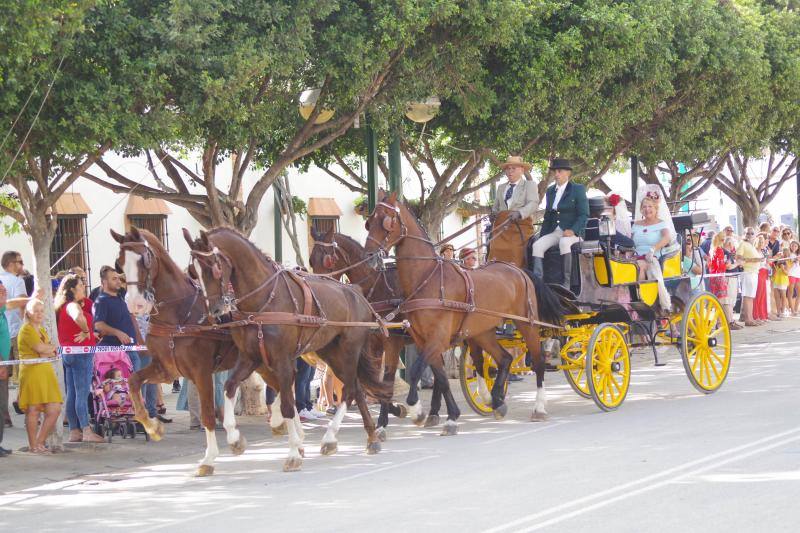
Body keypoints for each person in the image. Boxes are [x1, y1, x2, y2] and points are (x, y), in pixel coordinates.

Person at [54, 274, 104, 443]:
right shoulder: (72, 305)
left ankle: (75, 431)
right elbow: (79, 317)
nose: (84, 288)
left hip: (69, 354)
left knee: (72, 394)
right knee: (81, 393)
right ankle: (86, 429)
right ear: (73, 289)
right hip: (80, 354)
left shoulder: (62, 306)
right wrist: (86, 331)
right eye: (81, 286)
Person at [531, 158, 589, 289]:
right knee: (537, 245)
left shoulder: (578, 189)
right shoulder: (550, 191)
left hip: (574, 233)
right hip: (555, 231)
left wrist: (573, 230)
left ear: (568, 173)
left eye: (559, 171)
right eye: (555, 172)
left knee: (564, 242)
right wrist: (542, 235)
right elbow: (548, 216)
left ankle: (567, 283)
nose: (556, 174)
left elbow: (584, 214)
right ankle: (539, 284)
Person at [17, 299, 63, 454]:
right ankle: (33, 445)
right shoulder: (26, 329)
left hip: (46, 372)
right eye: (35, 311)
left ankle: (40, 441)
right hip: (32, 373)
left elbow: (48, 349)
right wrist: (50, 349)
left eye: (41, 311)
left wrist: (49, 349)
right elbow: (40, 348)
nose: (39, 314)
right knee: (33, 409)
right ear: (28, 313)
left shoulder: (41, 330)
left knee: (55, 408)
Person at [630, 185, 677, 312]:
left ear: (655, 208)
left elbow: (667, 238)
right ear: (641, 209)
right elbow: (630, 242)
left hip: (653, 256)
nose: (647, 209)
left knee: (640, 266)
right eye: (644, 207)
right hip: (636, 256)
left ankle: (642, 300)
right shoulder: (636, 225)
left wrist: (653, 249)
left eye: (650, 206)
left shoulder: (661, 223)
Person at [489, 155, 540, 268]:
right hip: (501, 228)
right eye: (508, 168)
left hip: (520, 227)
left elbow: (533, 203)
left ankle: (518, 277)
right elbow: (496, 207)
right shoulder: (501, 187)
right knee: (494, 249)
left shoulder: (529, 185)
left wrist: (520, 213)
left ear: (522, 170)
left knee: (514, 250)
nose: (510, 171)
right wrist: (493, 214)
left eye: (514, 168)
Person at [1, 251, 28, 423]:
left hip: (4, 331)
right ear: (11, 263)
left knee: (4, 375)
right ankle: (21, 402)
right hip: (17, 331)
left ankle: (5, 415)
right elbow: (23, 303)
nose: (22, 265)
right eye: (20, 262)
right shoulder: (18, 281)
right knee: (23, 370)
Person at [737, 229, 763, 326]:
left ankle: (750, 318)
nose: (749, 235)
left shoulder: (751, 245)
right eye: (747, 233)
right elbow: (738, 258)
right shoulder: (743, 244)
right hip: (748, 272)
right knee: (747, 296)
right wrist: (753, 259)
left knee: (751, 296)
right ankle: (748, 319)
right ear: (744, 234)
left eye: (752, 233)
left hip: (754, 273)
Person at [771, 248, 790, 318]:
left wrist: (782, 268)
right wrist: (774, 267)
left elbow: (787, 273)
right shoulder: (778, 261)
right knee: (776, 297)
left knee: (783, 296)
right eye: (782, 253)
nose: (783, 255)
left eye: (785, 253)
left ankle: (783, 311)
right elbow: (774, 271)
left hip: (783, 281)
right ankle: (778, 311)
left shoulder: (787, 262)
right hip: (776, 280)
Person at [787, 240, 800, 316]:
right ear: (790, 246)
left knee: (799, 293)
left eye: (795, 246)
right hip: (791, 274)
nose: (794, 247)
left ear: (798, 247)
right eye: (792, 246)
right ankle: (791, 310)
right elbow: (788, 265)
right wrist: (794, 260)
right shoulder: (788, 254)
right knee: (790, 293)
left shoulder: (798, 254)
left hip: (798, 275)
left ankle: (796, 309)